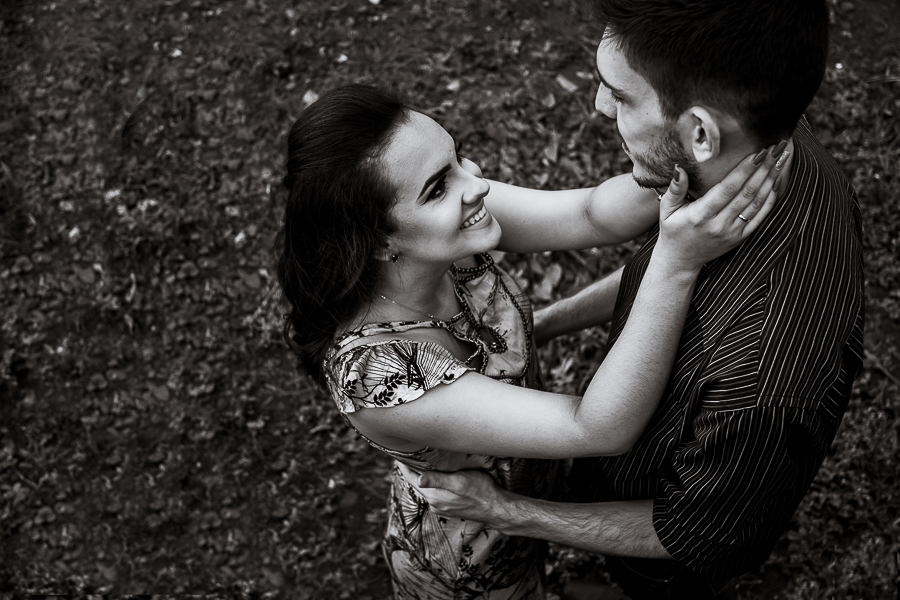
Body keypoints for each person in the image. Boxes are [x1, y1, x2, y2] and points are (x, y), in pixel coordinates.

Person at [410, 0, 866, 597]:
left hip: (663, 553)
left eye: (621, 96)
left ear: (699, 132)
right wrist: (541, 324)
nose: (600, 106)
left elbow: (687, 531)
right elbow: (658, 273)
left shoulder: (758, 388)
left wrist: (508, 512)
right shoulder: (756, 156)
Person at [276, 83, 783, 599]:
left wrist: (695, 157)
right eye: (437, 187)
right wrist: (676, 262)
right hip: (473, 558)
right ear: (379, 241)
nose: (474, 183)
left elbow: (592, 213)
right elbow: (596, 428)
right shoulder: (377, 376)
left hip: (530, 493)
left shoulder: (450, 225)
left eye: (457, 159)